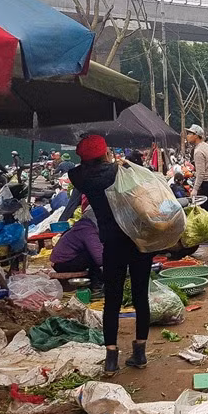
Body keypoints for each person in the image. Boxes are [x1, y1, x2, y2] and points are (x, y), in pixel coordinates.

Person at [69, 134, 153, 373]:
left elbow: (77, 169)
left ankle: (111, 359)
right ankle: (140, 353)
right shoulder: (120, 172)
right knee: (140, 296)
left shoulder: (81, 177)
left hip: (112, 244)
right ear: (106, 153)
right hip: (138, 241)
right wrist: (118, 163)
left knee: (112, 300)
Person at [50, 207, 104, 291]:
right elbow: (99, 258)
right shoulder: (87, 230)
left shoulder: (83, 226)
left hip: (63, 261)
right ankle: (96, 284)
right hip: (63, 263)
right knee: (93, 255)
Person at [187, 124, 208, 227]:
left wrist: (195, 189)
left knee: (206, 211)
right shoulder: (206, 146)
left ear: (196, 136)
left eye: (190, 133)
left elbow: (201, 173)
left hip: (206, 183)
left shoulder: (198, 151)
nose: (187, 136)